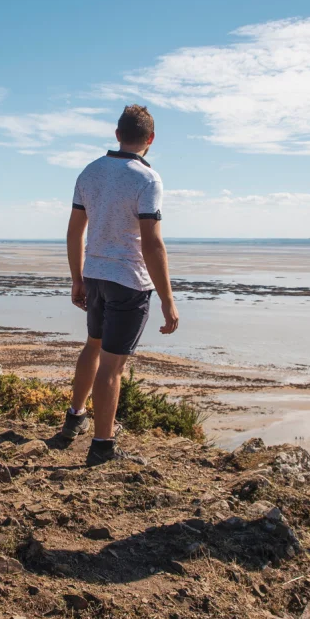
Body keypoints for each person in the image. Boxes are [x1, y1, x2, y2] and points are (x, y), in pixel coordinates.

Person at [61, 104, 179, 466]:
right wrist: (167, 300)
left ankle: (74, 418)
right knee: (112, 367)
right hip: (128, 281)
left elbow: (74, 231)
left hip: (95, 275)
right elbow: (152, 242)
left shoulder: (90, 171)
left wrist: (77, 278)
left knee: (92, 347)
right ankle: (102, 446)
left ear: (117, 134)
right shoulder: (147, 178)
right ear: (151, 139)